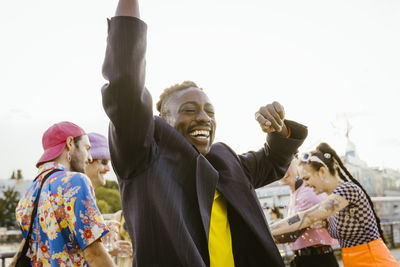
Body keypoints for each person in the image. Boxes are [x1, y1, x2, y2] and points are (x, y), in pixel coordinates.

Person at [101, 0, 308, 266]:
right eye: (189, 110)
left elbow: (274, 160)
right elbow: (125, 84)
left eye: (210, 111)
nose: (203, 118)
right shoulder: (142, 156)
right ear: (162, 119)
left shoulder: (227, 160)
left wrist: (279, 129)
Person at [270, 143, 398, 267]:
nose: (306, 184)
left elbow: (307, 217)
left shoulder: (347, 190)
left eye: (307, 178)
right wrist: (325, 224)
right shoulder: (332, 200)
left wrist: (267, 229)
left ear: (322, 171)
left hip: (374, 262)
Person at [14, 122, 115, 267]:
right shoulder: (75, 181)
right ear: (70, 143)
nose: (90, 158)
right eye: (87, 148)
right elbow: (95, 255)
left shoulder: (28, 194)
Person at [280, 159, 338, 267]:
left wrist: (265, 233)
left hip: (317, 259)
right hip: (304, 258)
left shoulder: (308, 192)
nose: (283, 171)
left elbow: (296, 227)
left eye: (287, 165)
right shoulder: (294, 193)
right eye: (277, 167)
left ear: (296, 164)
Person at [86, 132, 133, 258]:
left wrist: (109, 249)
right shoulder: (78, 196)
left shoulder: (89, 197)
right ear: (87, 160)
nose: (108, 168)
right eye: (103, 161)